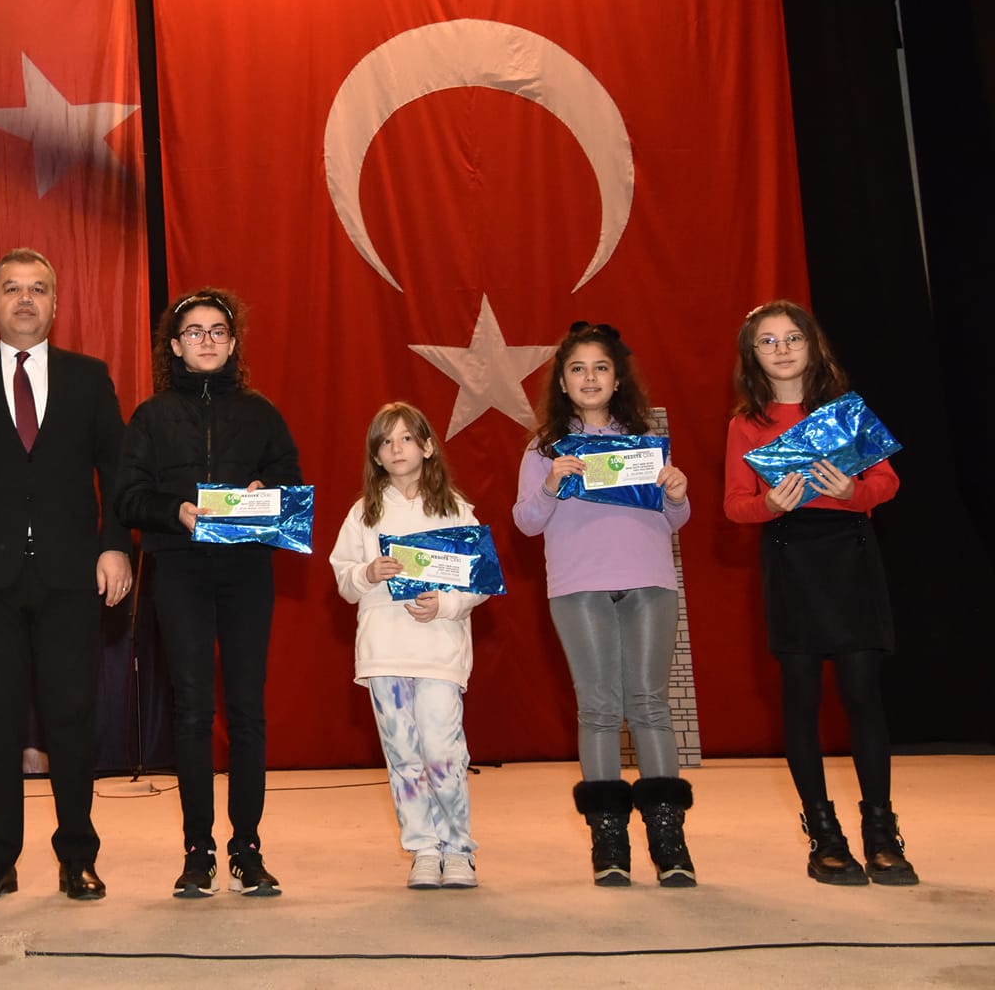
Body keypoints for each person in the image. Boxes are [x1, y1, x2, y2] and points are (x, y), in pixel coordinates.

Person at [0, 248, 129, 902]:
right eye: (11, 288)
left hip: (72, 577)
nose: (24, 299)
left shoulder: (89, 377)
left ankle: (78, 855)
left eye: (37, 288)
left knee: (72, 717)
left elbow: (116, 474)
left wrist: (115, 546)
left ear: (55, 303)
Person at [111, 288, 299, 899]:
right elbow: (128, 498)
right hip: (180, 571)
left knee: (246, 711)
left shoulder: (262, 415)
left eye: (218, 330)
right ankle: (198, 851)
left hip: (247, 573)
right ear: (175, 346)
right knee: (192, 711)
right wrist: (178, 511)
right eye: (194, 332)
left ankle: (248, 847)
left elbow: (292, 485)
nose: (207, 340)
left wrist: (266, 491)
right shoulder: (151, 417)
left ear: (234, 342)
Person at [722, 299, 914, 886]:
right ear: (752, 355)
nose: (781, 349)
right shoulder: (745, 423)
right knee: (801, 699)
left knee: (862, 695)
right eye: (768, 341)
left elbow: (887, 482)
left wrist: (854, 492)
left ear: (813, 344)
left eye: (792, 338)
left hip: (851, 555)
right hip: (790, 558)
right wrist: (768, 503)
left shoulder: (845, 410)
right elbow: (735, 506)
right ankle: (824, 836)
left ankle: (881, 832)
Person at [512, 322, 695, 888]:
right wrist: (550, 484)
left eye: (600, 368)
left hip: (649, 583)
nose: (589, 378)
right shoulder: (544, 449)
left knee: (650, 705)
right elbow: (526, 522)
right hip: (579, 588)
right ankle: (608, 840)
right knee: (597, 708)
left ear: (617, 380)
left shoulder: (644, 442)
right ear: (562, 383)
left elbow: (674, 520)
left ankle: (669, 840)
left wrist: (677, 494)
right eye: (577, 369)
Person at [329, 402, 486, 891]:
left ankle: (457, 849)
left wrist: (446, 604)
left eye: (406, 438)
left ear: (428, 447)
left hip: (439, 651)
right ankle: (423, 848)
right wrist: (367, 572)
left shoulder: (455, 508)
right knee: (403, 754)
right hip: (385, 652)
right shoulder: (364, 513)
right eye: (385, 441)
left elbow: (479, 581)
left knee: (441, 750)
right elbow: (343, 578)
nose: (396, 448)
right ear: (375, 455)